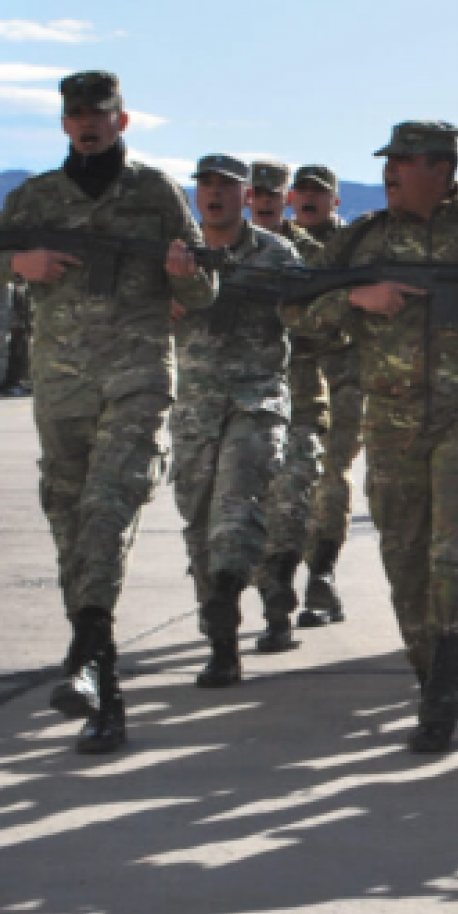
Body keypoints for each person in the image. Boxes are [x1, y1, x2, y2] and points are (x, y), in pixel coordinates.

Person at [0, 69, 216, 756]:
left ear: (120, 120)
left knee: (107, 509)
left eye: (98, 114)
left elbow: (206, 290)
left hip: (137, 378)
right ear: (65, 123)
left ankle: (97, 676)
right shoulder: (37, 197)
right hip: (62, 389)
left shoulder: (156, 193)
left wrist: (186, 274)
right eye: (75, 116)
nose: (87, 125)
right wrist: (19, 264)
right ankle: (91, 660)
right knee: (70, 523)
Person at [282, 120, 458, 755]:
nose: (390, 173)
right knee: (404, 559)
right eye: (389, 162)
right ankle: (430, 676)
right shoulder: (363, 240)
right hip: (391, 421)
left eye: (405, 162)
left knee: (455, 546)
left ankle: (447, 678)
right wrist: (355, 301)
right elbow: (295, 308)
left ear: (442, 169)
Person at [173, 154, 303, 686]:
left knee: (238, 508)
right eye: (205, 184)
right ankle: (220, 636)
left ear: (246, 195)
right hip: (194, 408)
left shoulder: (276, 253)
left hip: (256, 401)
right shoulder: (177, 254)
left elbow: (308, 314)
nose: (214, 193)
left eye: (226, 186)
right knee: (199, 524)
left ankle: (231, 602)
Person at [244, 160, 323, 636]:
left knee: (291, 500)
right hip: (240, 401)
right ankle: (267, 594)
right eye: (257, 193)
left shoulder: (308, 254)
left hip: (301, 398)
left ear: (287, 198)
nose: (265, 201)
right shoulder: (222, 249)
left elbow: (333, 318)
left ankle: (281, 588)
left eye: (273, 194)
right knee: (248, 503)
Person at [286, 164, 360, 627]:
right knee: (287, 479)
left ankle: (321, 573)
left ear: (335, 200)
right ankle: (281, 579)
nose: (309, 199)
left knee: (331, 472)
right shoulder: (275, 245)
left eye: (319, 192)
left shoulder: (353, 249)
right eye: (302, 191)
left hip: (344, 375)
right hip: (291, 376)